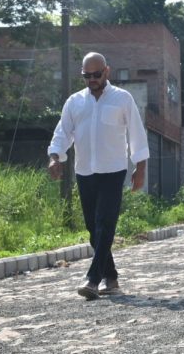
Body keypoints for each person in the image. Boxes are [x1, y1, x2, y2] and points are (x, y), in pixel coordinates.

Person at [48, 52, 149, 300]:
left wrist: (140, 167)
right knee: (93, 228)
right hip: (85, 171)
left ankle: (93, 279)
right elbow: (63, 132)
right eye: (87, 75)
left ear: (107, 71)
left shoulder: (122, 99)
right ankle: (111, 276)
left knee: (105, 223)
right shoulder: (74, 102)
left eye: (96, 74)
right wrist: (54, 157)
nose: (92, 79)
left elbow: (136, 133)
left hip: (113, 170)